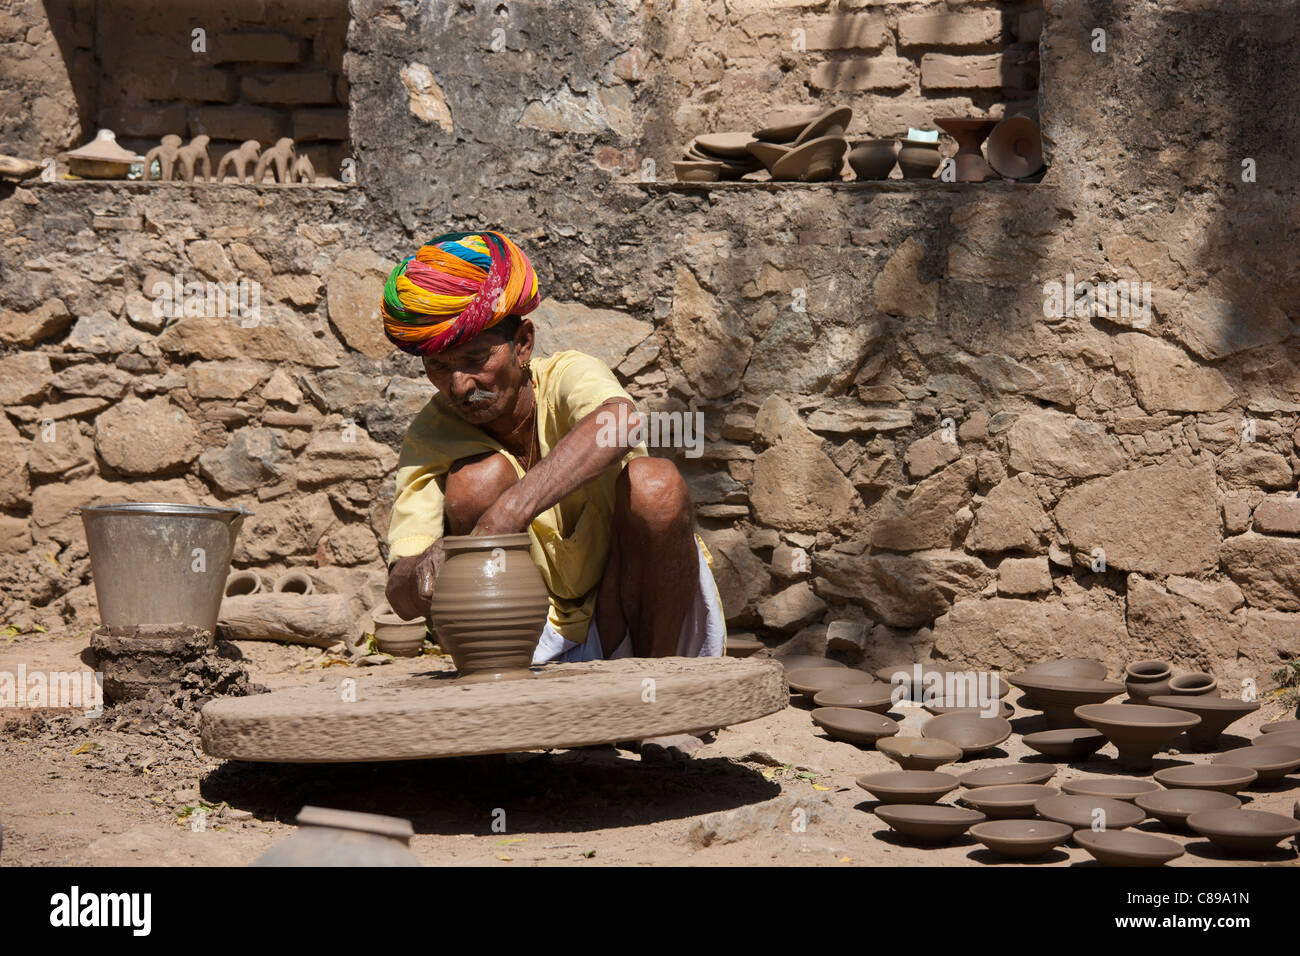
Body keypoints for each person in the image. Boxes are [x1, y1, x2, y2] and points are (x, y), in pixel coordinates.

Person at [381, 232, 724, 755]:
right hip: (530, 648)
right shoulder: (430, 434)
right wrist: (424, 570)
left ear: (522, 344)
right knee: (478, 478)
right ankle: (515, 705)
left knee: (655, 483)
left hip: (631, 618)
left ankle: (654, 703)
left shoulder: (567, 376)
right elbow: (400, 596)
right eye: (439, 368)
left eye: (475, 359)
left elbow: (619, 423)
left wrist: (503, 518)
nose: (460, 386)